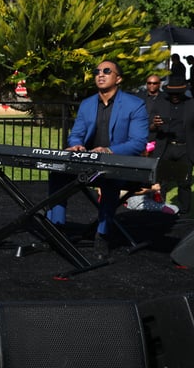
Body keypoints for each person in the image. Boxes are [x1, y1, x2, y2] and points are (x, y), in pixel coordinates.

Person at [46, 60, 148, 259]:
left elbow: (138, 142)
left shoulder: (135, 105)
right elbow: (76, 134)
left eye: (107, 71)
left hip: (118, 166)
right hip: (88, 163)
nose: (100, 74)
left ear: (118, 78)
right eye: (97, 71)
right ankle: (56, 228)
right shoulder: (87, 104)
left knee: (110, 181)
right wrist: (76, 144)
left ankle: (102, 234)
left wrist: (109, 150)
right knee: (57, 173)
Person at [149, 75, 194, 214]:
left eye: (177, 93)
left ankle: (184, 213)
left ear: (183, 92)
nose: (174, 96)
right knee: (160, 181)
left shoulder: (191, 104)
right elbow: (149, 127)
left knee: (184, 182)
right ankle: (159, 208)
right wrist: (154, 125)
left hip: (185, 148)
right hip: (165, 147)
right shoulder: (161, 103)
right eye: (171, 93)